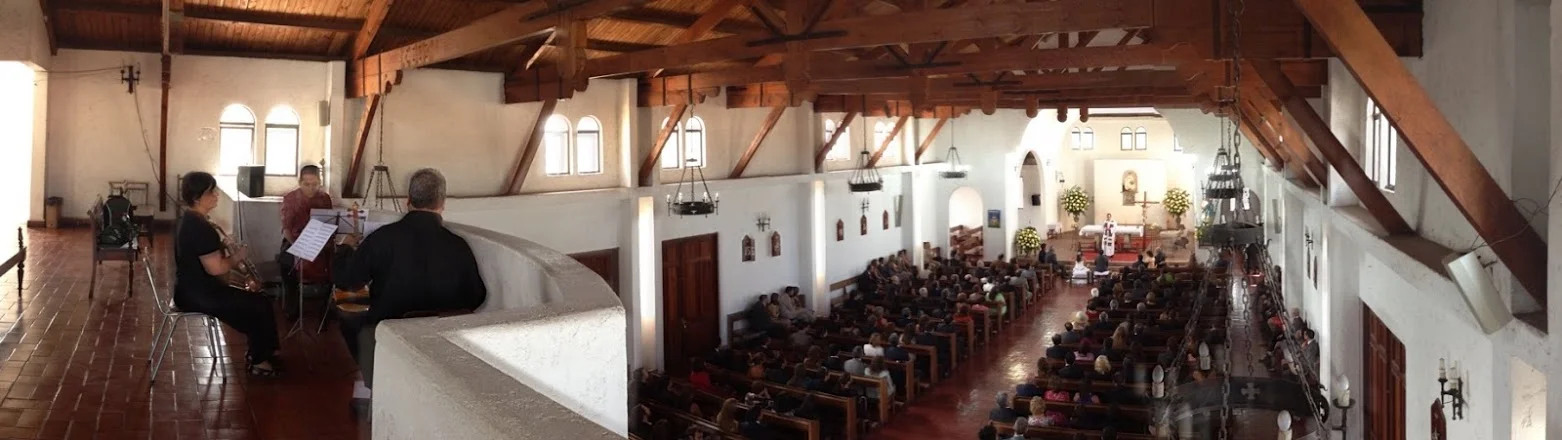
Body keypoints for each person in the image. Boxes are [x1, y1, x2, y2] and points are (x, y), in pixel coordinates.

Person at [333, 168, 488, 412]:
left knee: (347, 317)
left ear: (408, 201)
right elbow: (477, 296)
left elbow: (346, 280)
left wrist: (343, 250)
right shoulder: (458, 245)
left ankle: (374, 381)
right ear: (442, 204)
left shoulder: (382, 238)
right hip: (442, 340)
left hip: (390, 334)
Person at [173, 172, 283, 377]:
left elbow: (202, 254)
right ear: (198, 197)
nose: (216, 195)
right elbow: (216, 269)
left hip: (191, 289)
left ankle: (262, 352)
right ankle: (260, 361)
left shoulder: (190, 219)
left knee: (258, 302)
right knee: (258, 304)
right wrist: (237, 257)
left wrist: (222, 245)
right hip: (198, 294)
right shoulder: (199, 227)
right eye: (211, 192)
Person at [275, 165, 334, 320]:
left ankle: (326, 307)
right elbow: (286, 229)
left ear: (320, 182)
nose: (311, 188)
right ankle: (292, 305)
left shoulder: (324, 198)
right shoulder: (290, 199)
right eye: (307, 184)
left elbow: (329, 224)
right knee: (287, 263)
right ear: (300, 182)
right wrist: (299, 246)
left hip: (319, 239)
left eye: (315, 184)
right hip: (295, 239)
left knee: (336, 262)